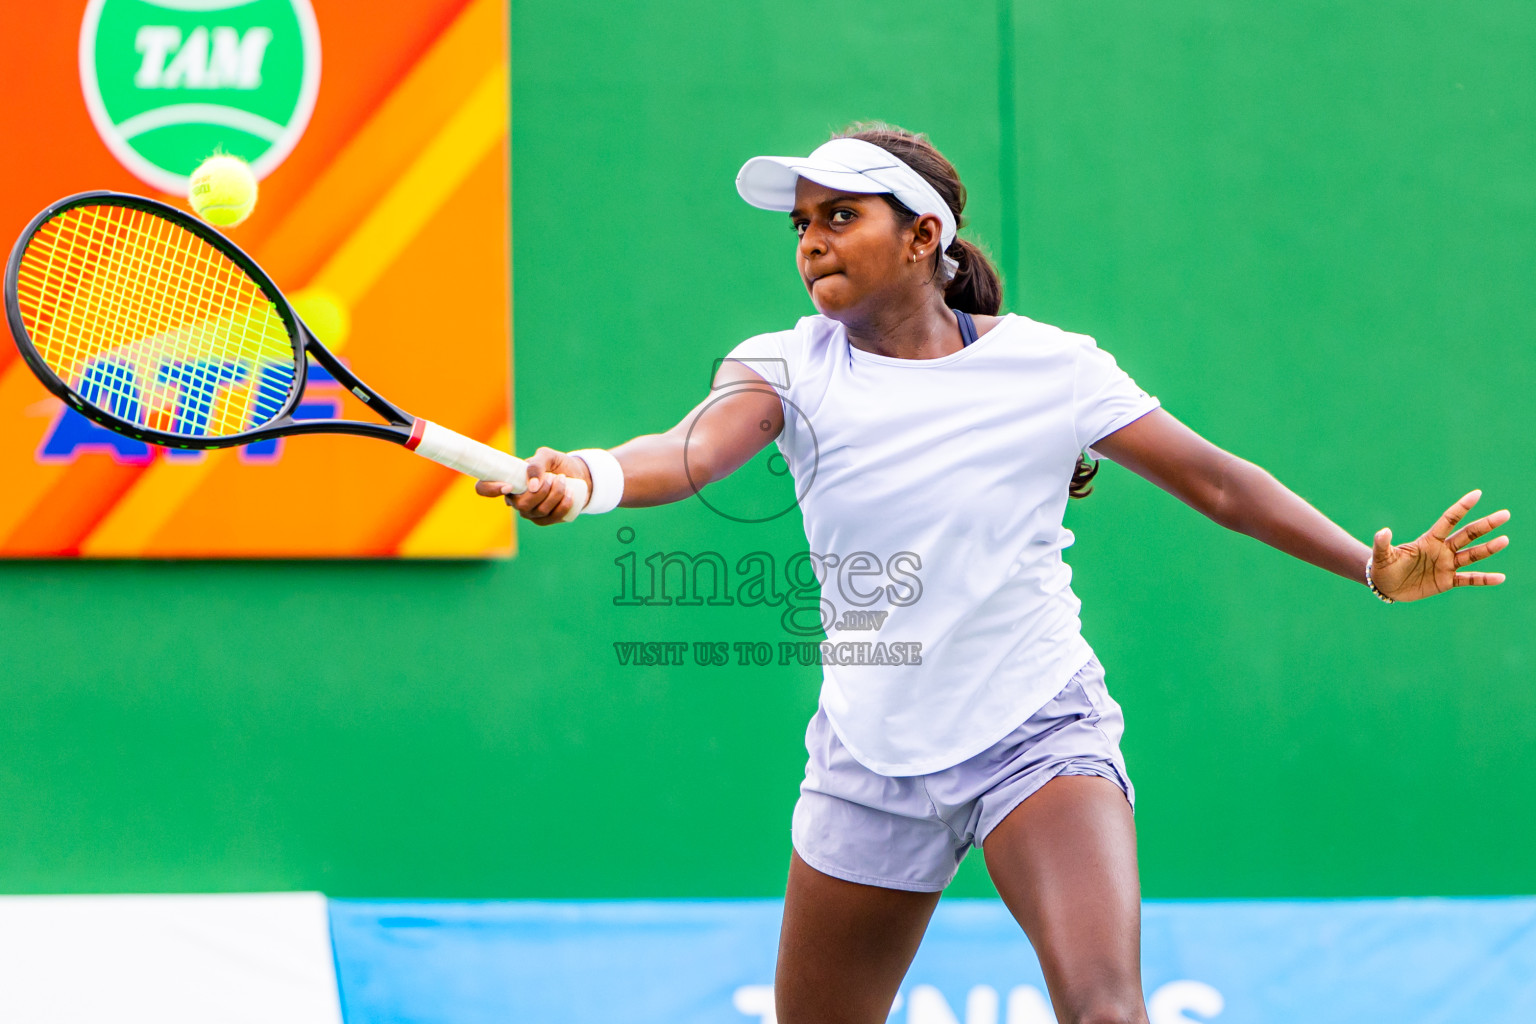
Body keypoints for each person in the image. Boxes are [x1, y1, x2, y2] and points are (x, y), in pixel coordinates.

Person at [476, 123, 1511, 1024]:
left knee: (1107, 1008)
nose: (811, 242)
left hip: (1035, 729)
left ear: (925, 236)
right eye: (801, 224)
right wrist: (595, 476)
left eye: (841, 216)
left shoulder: (1051, 366)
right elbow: (688, 450)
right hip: (870, 756)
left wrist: (1371, 570)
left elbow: (1220, 485)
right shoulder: (784, 365)